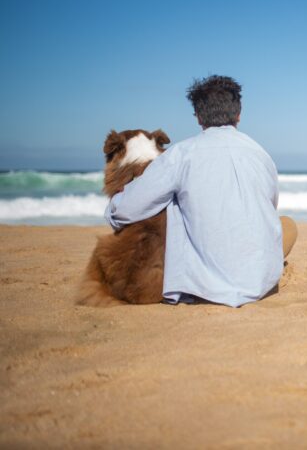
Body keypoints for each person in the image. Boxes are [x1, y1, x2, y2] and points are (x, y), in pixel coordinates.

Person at [105, 75, 296, 307]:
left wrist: (113, 205)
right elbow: (269, 206)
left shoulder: (180, 155)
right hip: (259, 282)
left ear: (197, 116)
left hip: (204, 286)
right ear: (239, 113)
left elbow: (128, 208)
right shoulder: (261, 155)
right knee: (287, 225)